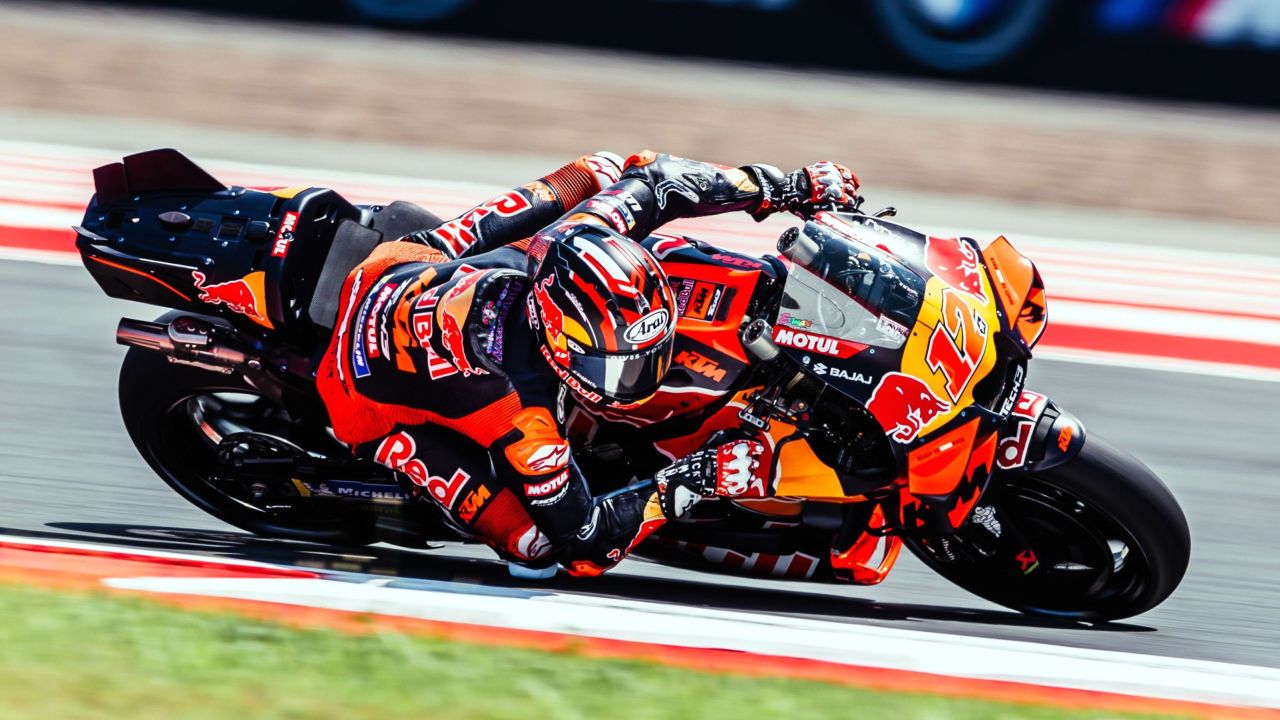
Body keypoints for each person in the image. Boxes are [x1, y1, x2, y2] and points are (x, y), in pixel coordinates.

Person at [315, 150, 860, 576]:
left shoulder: (575, 237)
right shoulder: (527, 420)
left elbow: (657, 177)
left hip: (402, 264)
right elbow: (585, 544)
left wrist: (782, 186)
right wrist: (700, 477)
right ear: (557, 340)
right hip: (360, 386)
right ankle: (381, 470)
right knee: (536, 549)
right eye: (618, 365)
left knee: (598, 171)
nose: (639, 378)